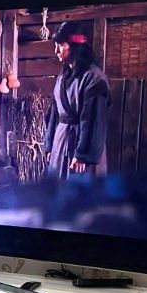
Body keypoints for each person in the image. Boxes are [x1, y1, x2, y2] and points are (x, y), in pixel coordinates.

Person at [44, 21, 110, 178]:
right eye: (56, 45)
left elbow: (94, 119)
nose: (56, 51)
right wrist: (50, 146)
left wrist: (83, 155)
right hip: (61, 142)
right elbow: (54, 113)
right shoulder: (63, 76)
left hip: (82, 146)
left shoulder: (94, 78)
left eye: (61, 45)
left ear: (75, 46)